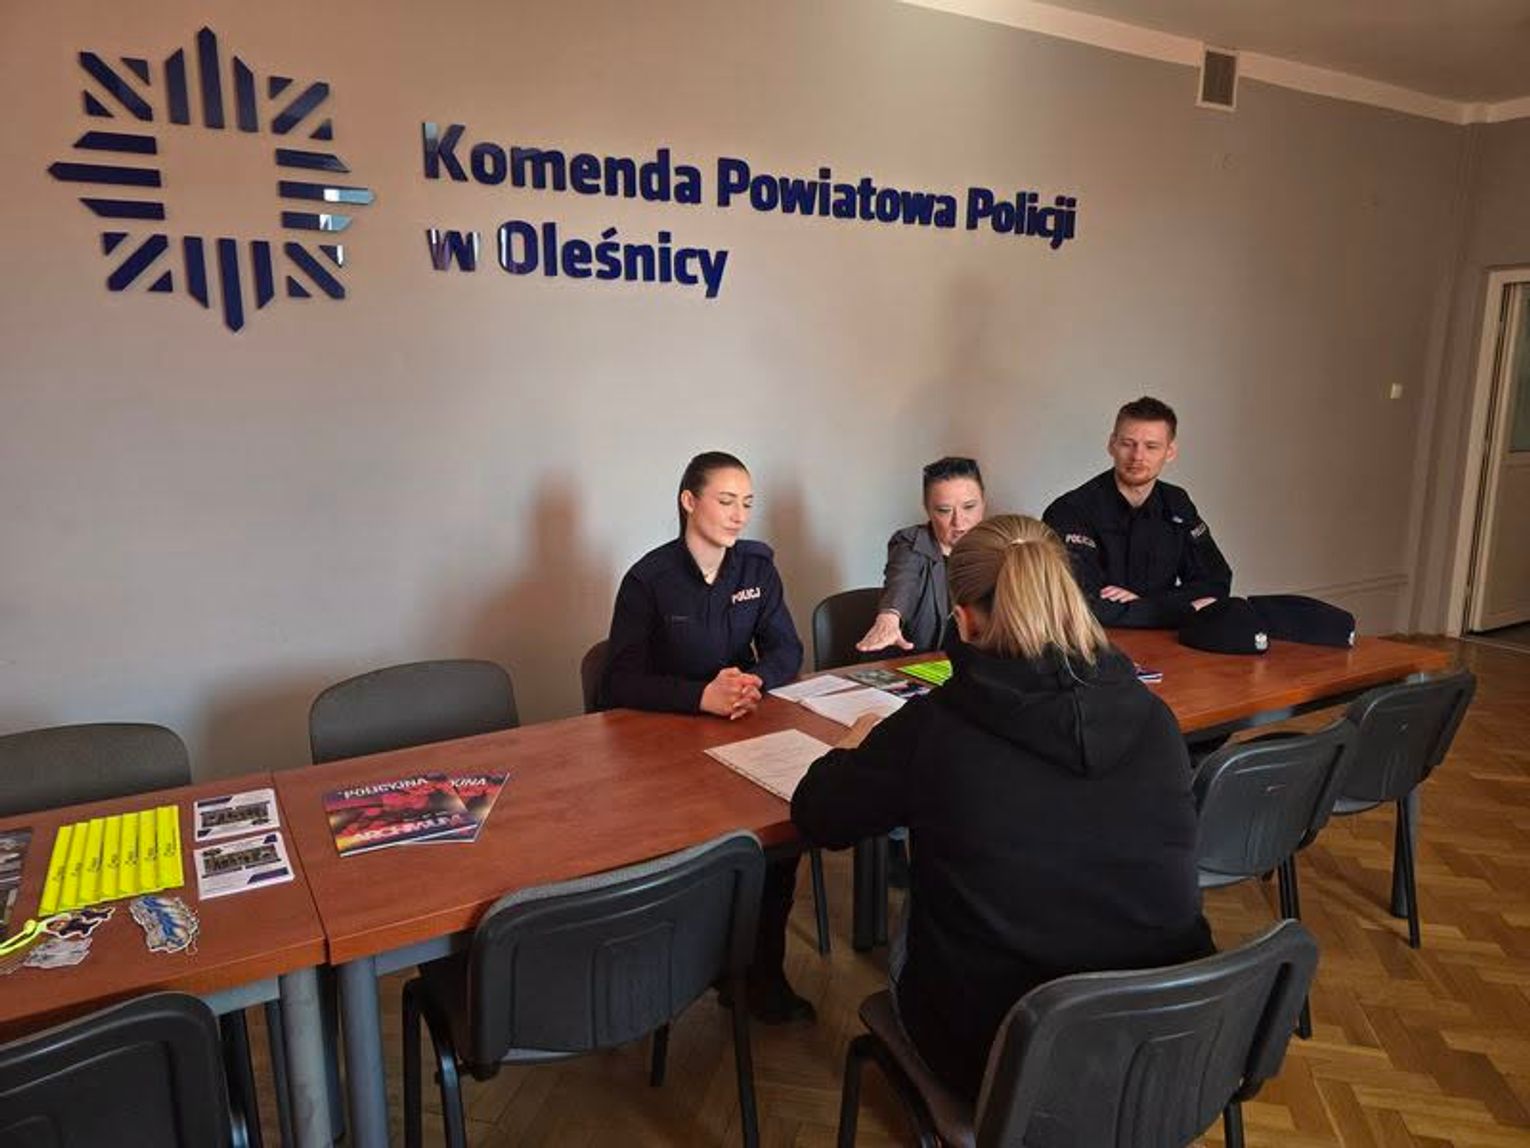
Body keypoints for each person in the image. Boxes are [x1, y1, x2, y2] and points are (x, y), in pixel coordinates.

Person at [791, 515, 1213, 1100]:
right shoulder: (1154, 717)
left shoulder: (935, 729)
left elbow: (818, 815)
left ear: (963, 619)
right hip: (1170, 1043)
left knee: (919, 902)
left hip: (1003, 1058)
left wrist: (850, 748)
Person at [599, 451, 813, 1022]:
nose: (739, 514)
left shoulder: (757, 569)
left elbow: (787, 648)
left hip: (741, 728)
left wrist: (753, 681)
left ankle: (761, 976)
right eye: (726, 501)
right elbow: (618, 681)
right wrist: (701, 697)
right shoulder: (649, 580)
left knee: (780, 836)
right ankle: (686, 972)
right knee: (699, 857)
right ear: (689, 501)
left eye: (747, 503)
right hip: (664, 747)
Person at [1043, 396, 1231, 628]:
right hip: (1095, 642)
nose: (1137, 456)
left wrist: (1147, 605)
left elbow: (1215, 582)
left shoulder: (1178, 504)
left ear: (1170, 452)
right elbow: (1078, 603)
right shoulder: (1071, 510)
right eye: (1127, 444)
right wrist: (1179, 610)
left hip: (1165, 642)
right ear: (1112, 444)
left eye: (1151, 447)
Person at [856, 456, 986, 653]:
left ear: (984, 503)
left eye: (969, 507)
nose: (959, 522)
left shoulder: (997, 546)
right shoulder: (910, 542)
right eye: (944, 510)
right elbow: (902, 580)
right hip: (915, 662)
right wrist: (889, 616)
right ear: (928, 509)